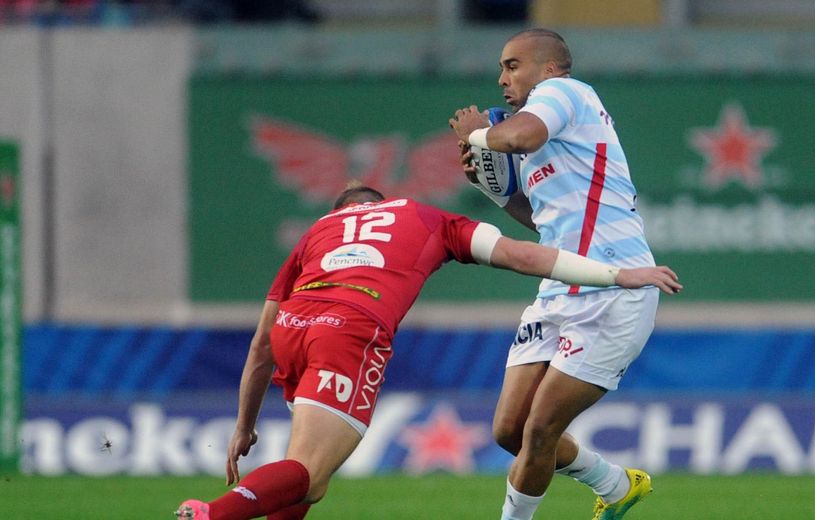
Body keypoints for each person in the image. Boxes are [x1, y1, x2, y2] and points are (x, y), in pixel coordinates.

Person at [175, 182, 681, 520]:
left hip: (294, 326)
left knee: (305, 476)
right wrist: (616, 274)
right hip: (349, 330)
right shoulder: (425, 216)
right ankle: (213, 514)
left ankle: (614, 484)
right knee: (308, 474)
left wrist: (244, 424)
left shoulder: (319, 231)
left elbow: (262, 343)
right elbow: (523, 255)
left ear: (341, 212)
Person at [449, 28, 676, 520]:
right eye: (501, 68)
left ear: (549, 68)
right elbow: (544, 221)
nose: (502, 78)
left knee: (539, 430)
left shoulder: (564, 92)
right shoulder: (547, 145)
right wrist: (494, 192)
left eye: (512, 66)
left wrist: (476, 134)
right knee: (510, 430)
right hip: (559, 288)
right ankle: (617, 485)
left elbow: (520, 134)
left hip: (614, 286)